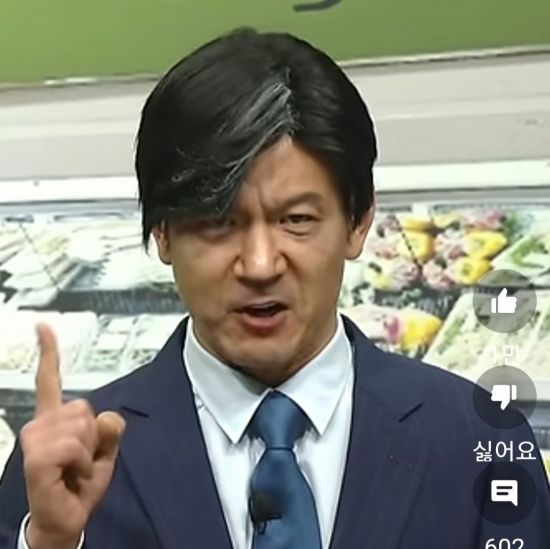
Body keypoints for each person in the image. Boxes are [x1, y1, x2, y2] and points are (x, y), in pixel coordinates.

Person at [0, 27, 549, 549]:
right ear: (162, 233)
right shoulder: (66, 463)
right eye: (218, 222)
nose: (260, 265)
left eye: (297, 220)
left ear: (358, 222)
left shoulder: (480, 440)